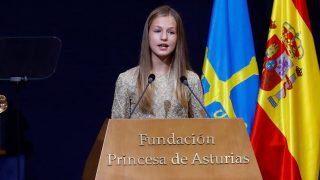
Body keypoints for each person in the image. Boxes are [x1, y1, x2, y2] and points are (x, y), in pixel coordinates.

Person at [111, 5, 206, 119]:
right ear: (148, 35)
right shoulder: (126, 80)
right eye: (157, 31)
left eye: (171, 32)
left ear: (178, 38)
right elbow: (116, 131)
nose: (164, 37)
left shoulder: (190, 81)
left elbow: (201, 131)